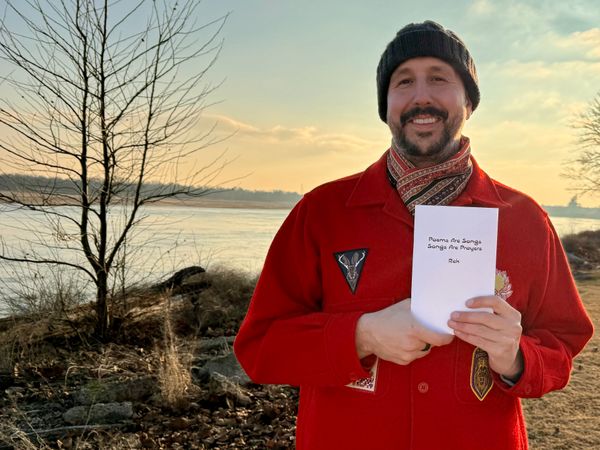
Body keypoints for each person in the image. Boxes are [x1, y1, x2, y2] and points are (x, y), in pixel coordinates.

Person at [233, 21, 594, 450]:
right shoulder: (322, 213)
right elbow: (260, 346)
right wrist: (362, 334)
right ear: (385, 106)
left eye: (439, 79)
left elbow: (562, 345)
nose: (421, 96)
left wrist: (515, 356)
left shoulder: (525, 220)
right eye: (404, 82)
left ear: (469, 101)